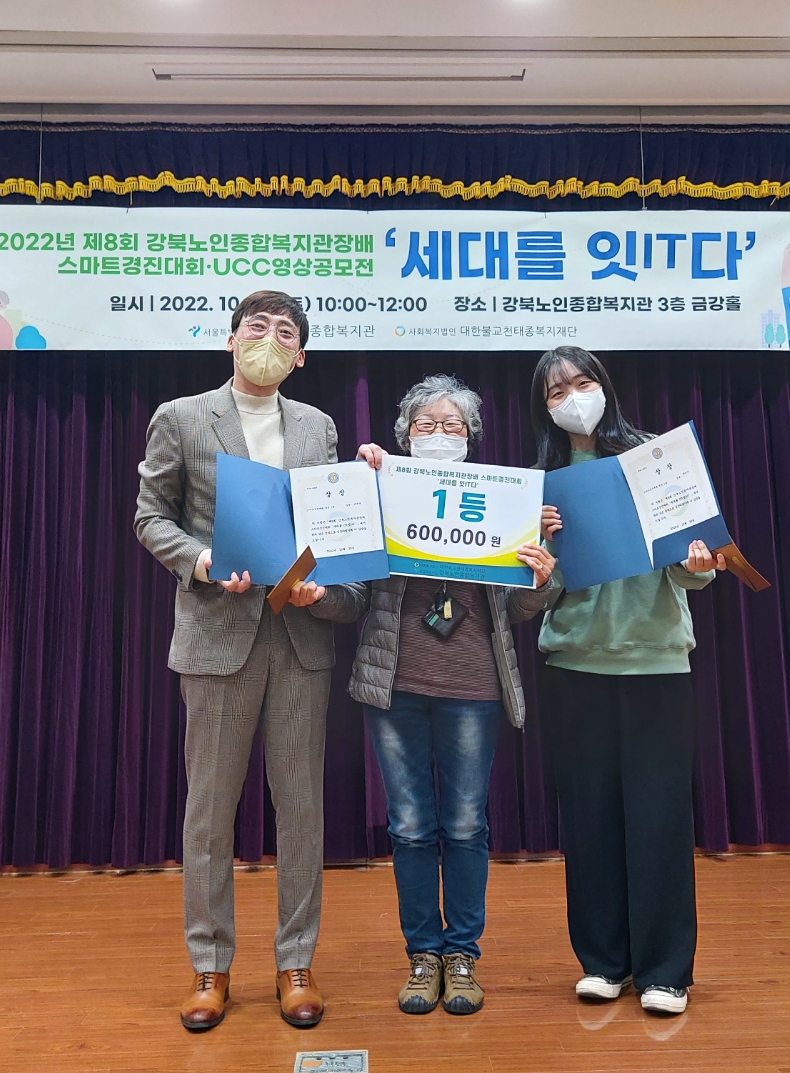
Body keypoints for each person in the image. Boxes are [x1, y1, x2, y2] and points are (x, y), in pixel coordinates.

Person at [134, 290, 365, 1032]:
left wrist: (323, 581)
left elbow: (328, 523)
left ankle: (296, 962)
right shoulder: (182, 416)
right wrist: (203, 561)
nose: (269, 339)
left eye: (285, 332)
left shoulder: (318, 426)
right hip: (217, 634)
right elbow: (150, 517)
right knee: (209, 814)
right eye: (256, 327)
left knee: (301, 810)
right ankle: (209, 966)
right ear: (230, 340)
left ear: (301, 356)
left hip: (300, 636)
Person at [348, 376, 556, 1016]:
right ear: (404, 434)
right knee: (410, 827)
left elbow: (516, 609)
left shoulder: (501, 500)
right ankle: (423, 956)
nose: (439, 434)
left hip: (473, 686)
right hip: (394, 684)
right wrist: (361, 484)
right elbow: (350, 580)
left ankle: (462, 955)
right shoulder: (381, 489)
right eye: (426, 425)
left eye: (453, 426)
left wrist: (542, 577)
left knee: (465, 825)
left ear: (472, 437)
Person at [531, 345, 725, 1018]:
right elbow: (539, 590)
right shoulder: (542, 482)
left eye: (582, 383)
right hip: (574, 664)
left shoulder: (655, 458)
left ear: (605, 387)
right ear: (544, 408)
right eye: (557, 392)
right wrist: (542, 553)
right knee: (588, 817)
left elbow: (693, 569)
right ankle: (603, 962)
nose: (573, 399)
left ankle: (666, 970)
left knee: (660, 816)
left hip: (655, 662)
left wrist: (698, 561)